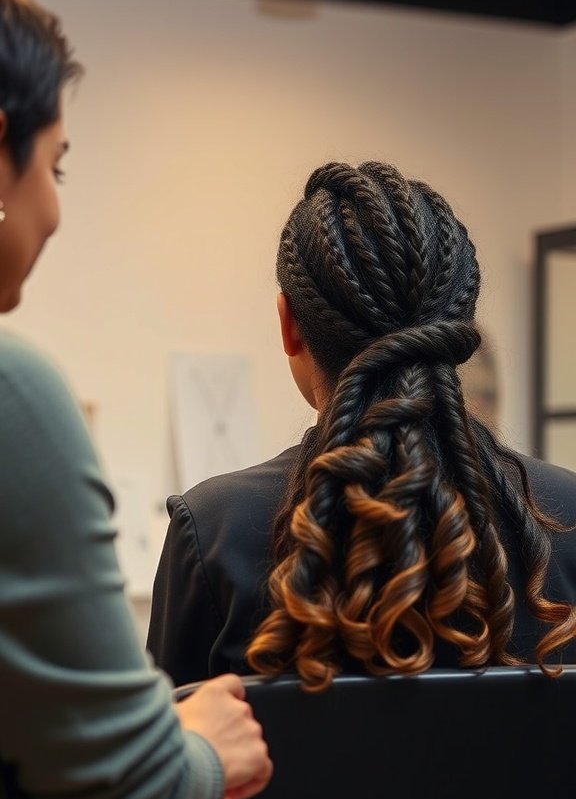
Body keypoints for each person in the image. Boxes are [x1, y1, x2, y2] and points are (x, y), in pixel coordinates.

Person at [0, 0, 272, 799]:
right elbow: (131, 794)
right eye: (57, 169)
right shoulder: (14, 394)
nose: (56, 211)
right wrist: (197, 742)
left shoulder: (220, 518)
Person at [148, 160, 576, 693]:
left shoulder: (215, 528)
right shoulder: (565, 513)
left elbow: (165, 764)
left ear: (289, 325)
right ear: (457, 327)